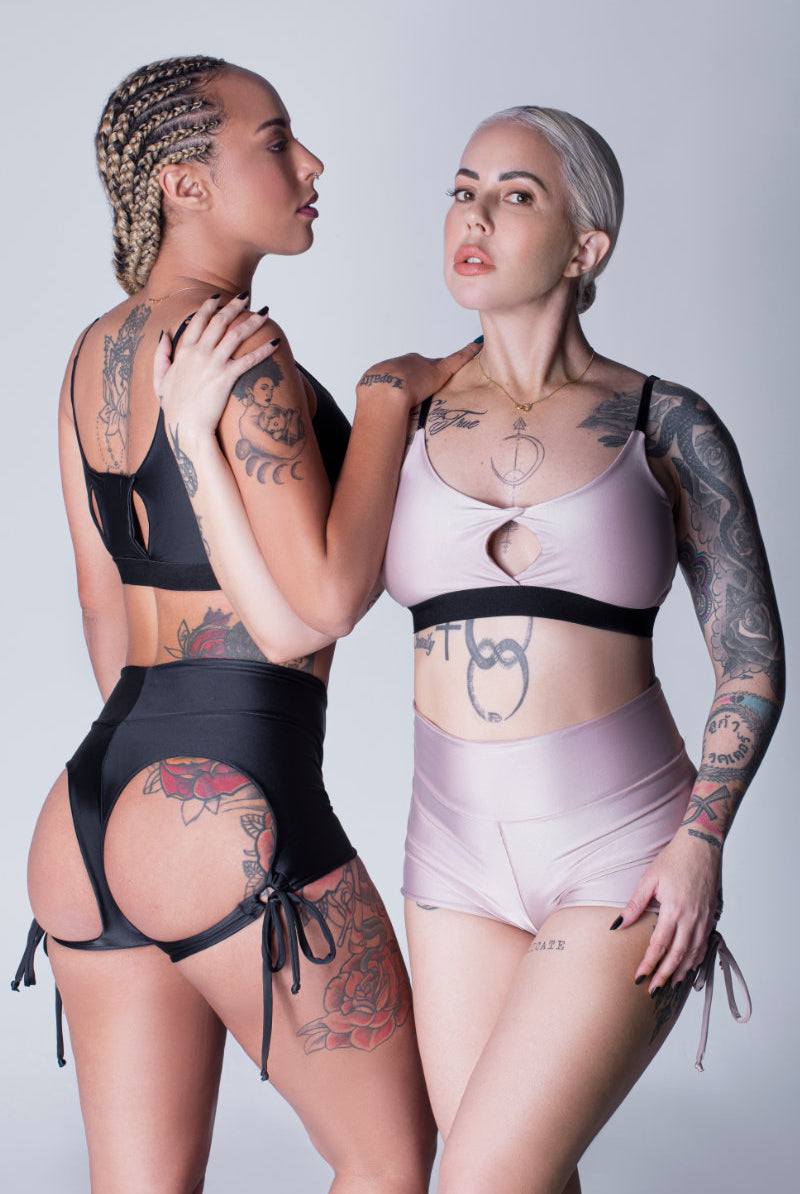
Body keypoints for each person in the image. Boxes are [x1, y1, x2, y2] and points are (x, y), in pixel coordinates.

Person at [156, 104, 784, 1194]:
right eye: (462, 190)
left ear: (586, 246)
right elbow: (301, 614)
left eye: (514, 194)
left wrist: (700, 844)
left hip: (624, 851)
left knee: (486, 1175)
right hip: (450, 864)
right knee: (517, 1173)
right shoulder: (400, 416)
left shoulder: (664, 420)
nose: (474, 215)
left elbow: (751, 659)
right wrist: (192, 445)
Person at [13, 54, 479, 1194]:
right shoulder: (243, 357)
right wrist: (384, 400)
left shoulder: (91, 352)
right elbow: (324, 600)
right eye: (274, 141)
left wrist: (150, 808)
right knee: (387, 1159)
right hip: (227, 800)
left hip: (88, 812)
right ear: (185, 184)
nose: (310, 164)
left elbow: (101, 602)